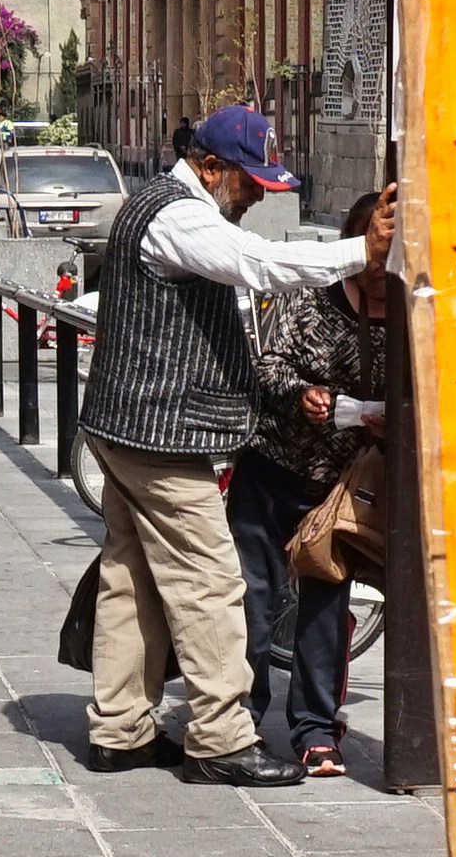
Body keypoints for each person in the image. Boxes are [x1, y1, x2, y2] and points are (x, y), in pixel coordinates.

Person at [78, 104, 370, 784]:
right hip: (160, 432)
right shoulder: (178, 216)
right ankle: (221, 736)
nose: (256, 196)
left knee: (133, 577)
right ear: (212, 168)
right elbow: (261, 264)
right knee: (211, 579)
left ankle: (119, 728)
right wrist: (364, 252)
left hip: (126, 425)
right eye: (250, 183)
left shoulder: (164, 203)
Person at [230, 184, 401, 785]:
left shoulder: (409, 318)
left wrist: (389, 418)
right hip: (273, 468)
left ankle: (314, 730)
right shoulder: (312, 296)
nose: (382, 277)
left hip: (341, 489)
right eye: (374, 263)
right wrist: (301, 395)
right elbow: (269, 364)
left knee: (326, 607)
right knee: (251, 597)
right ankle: (240, 720)